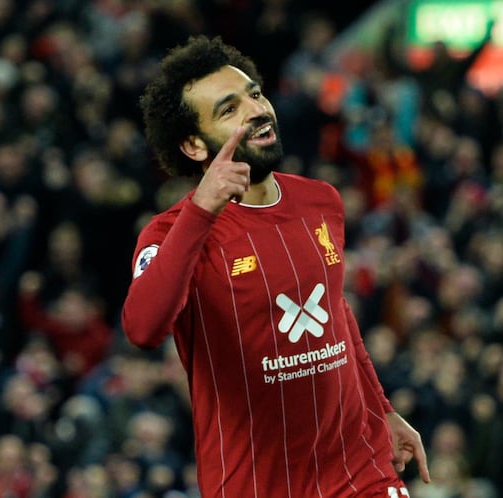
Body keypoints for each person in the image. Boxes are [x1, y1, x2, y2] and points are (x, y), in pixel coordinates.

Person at [120, 35, 430, 497]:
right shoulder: (170, 236)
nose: (256, 110)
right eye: (228, 110)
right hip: (256, 484)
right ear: (193, 145)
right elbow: (142, 328)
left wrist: (380, 407)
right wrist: (203, 208)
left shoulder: (319, 200)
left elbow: (335, 313)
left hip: (359, 471)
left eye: (255, 94)